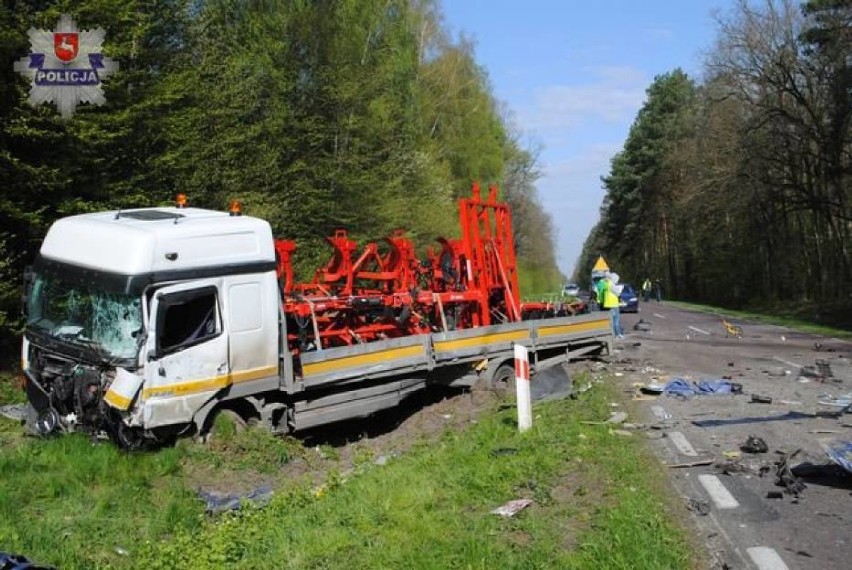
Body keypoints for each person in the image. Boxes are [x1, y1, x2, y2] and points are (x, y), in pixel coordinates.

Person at [601, 272, 624, 339]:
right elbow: (618, 293)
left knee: (612, 320)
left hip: (609, 304)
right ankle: (618, 334)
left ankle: (614, 334)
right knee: (616, 320)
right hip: (614, 305)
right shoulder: (611, 285)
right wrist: (620, 289)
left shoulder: (606, 284)